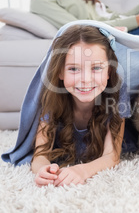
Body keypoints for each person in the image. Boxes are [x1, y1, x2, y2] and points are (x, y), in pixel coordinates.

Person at [31, 24, 131, 187]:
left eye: (96, 68)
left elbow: (112, 156)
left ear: (109, 72)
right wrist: (43, 169)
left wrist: (82, 171)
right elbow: (39, 155)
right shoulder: (52, 94)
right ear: (60, 72)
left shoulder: (118, 91)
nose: (85, 79)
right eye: (74, 69)